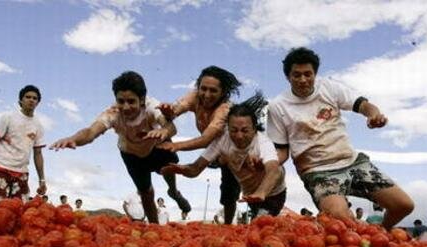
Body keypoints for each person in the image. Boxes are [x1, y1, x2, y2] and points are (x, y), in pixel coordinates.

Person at [266, 47, 414, 230]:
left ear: (315, 74)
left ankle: (381, 233)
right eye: (296, 75)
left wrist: (374, 115)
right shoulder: (277, 107)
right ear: (288, 77)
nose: (303, 80)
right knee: (340, 219)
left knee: (404, 205)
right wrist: (268, 163)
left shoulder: (329, 87)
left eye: (308, 74)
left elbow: (364, 105)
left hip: (352, 162)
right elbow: (281, 150)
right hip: (318, 171)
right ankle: (354, 236)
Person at [50, 71, 190, 224]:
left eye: (131, 101)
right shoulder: (113, 113)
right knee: (146, 193)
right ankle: (154, 227)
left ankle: (173, 190)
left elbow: (171, 127)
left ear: (142, 100)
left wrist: (164, 131)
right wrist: (73, 139)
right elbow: (90, 132)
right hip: (131, 154)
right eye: (121, 101)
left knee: (167, 165)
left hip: (155, 145)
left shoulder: (151, 107)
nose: (126, 107)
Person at [162, 92, 286, 220]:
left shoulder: (263, 142)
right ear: (228, 128)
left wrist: (262, 192)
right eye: (234, 130)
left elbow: (274, 170)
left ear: (254, 129)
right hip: (251, 195)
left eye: (245, 130)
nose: (239, 136)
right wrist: (183, 170)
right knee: (254, 227)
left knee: (260, 224)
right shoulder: (222, 140)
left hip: (273, 193)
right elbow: (196, 168)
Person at [157, 66, 242, 224]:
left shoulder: (225, 109)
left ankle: (229, 226)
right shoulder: (195, 96)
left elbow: (206, 139)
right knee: (193, 169)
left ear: (223, 92)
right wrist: (169, 112)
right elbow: (177, 109)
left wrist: (177, 146)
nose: (207, 95)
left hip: (229, 149)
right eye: (203, 89)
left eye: (213, 91)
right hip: (213, 147)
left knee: (229, 190)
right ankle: (175, 191)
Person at [0, 85, 47, 204]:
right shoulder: (8, 117)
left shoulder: (38, 125)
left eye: (35, 98)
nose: (31, 100)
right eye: (28, 97)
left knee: (19, 211)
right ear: (20, 101)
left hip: (21, 173)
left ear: (38, 103)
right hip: (0, 168)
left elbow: (38, 153)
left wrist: (42, 180)